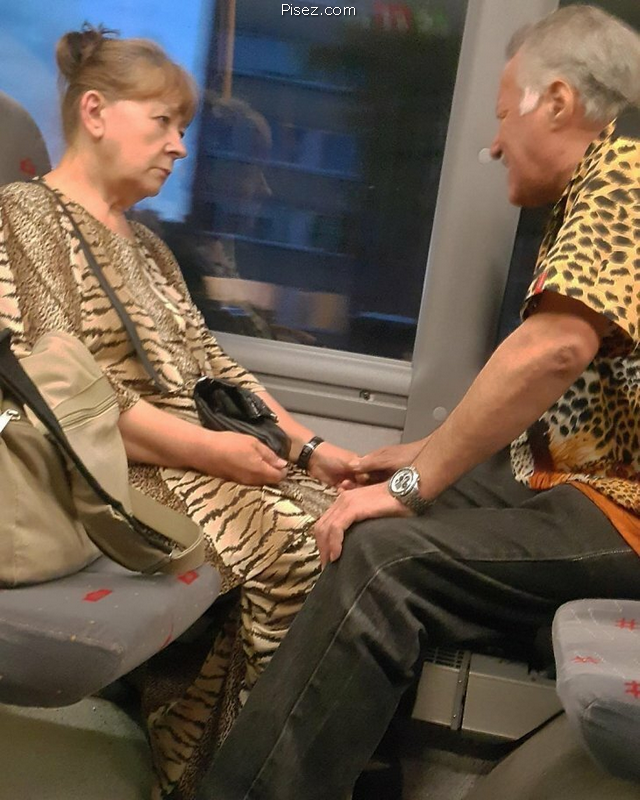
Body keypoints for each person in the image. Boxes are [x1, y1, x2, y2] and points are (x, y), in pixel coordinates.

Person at [192, 5, 640, 799]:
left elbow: (554, 351)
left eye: (502, 116)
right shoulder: (602, 183)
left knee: (384, 561)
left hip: (624, 513)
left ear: (558, 104)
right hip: (588, 483)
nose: (494, 143)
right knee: (372, 503)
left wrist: (416, 483)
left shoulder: (625, 175)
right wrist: (424, 459)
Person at [0, 25, 358, 800]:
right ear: (95, 112)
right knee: (293, 543)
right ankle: (220, 773)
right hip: (105, 464)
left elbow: (215, 370)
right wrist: (214, 454)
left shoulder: (151, 249)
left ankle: (261, 764)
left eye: (183, 127)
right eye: (163, 122)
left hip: (181, 450)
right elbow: (64, 393)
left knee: (345, 522)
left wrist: (310, 450)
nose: (180, 147)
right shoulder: (25, 216)